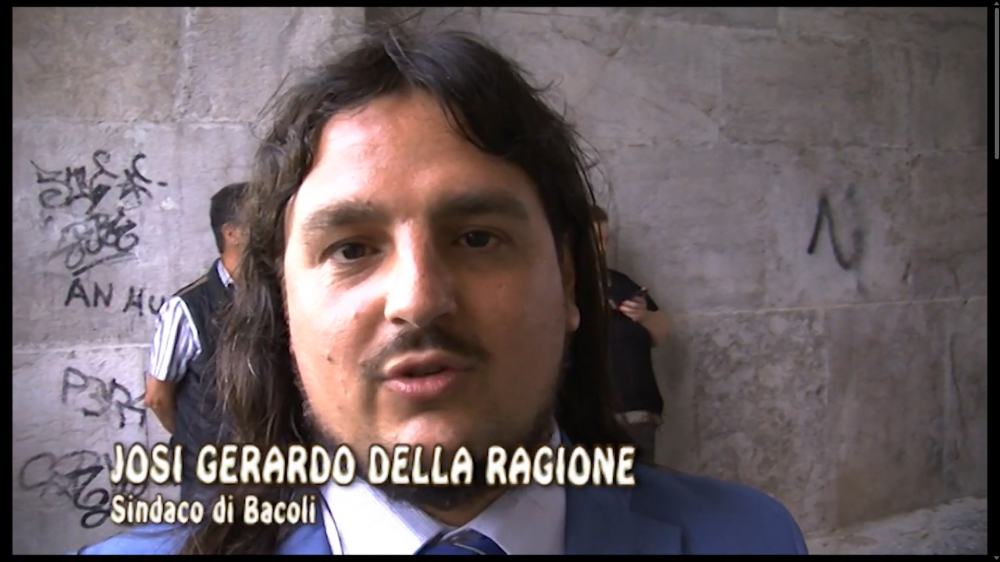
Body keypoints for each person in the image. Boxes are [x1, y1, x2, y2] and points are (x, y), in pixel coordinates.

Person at [78, 26, 807, 555]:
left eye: (478, 238)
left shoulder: (752, 538)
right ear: (285, 311)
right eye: (351, 249)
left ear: (568, 281)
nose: (419, 300)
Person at [142, 182, 247, 503]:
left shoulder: (277, 296)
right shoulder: (187, 307)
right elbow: (158, 397)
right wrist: (197, 440)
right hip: (211, 479)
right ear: (232, 233)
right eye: (262, 217)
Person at [591, 205, 671, 465]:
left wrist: (643, 315)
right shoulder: (556, 286)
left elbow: (662, 332)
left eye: (605, 240)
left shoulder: (620, 282)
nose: (601, 249)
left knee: (641, 485)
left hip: (638, 413)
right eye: (594, 240)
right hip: (589, 415)